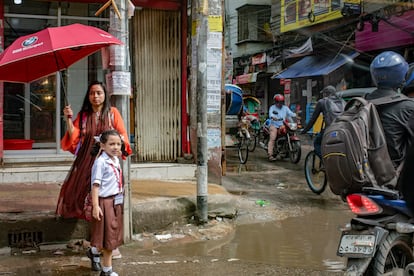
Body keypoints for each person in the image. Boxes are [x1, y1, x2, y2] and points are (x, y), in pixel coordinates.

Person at [56, 81, 132, 270]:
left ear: (105, 95)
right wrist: (68, 119)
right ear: (88, 96)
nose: (95, 96)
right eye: (92, 93)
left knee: (108, 201)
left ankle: (102, 245)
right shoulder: (82, 116)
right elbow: (74, 137)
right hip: (87, 163)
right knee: (88, 202)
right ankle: (98, 244)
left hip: (107, 164)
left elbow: (122, 135)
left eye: (99, 93)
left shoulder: (112, 113)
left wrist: (114, 145)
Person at [366, 51, 414, 170]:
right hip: (394, 177)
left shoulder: (360, 103)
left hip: (364, 173)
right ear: (402, 77)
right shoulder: (409, 107)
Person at [89, 129, 124, 276]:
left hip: (116, 202)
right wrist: (96, 206)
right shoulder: (100, 163)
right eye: (111, 144)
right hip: (105, 203)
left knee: (109, 235)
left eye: (118, 144)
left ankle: (93, 251)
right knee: (109, 240)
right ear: (102, 146)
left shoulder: (115, 159)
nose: (115, 147)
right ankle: (107, 271)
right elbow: (95, 186)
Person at [301, 85, 345, 157]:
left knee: (317, 143)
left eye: (324, 93)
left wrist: (305, 130)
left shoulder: (322, 102)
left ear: (326, 93)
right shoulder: (343, 102)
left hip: (330, 130)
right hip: (343, 129)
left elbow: (313, 119)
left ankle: (325, 161)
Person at [267, 93, 297, 161]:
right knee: (273, 138)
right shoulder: (272, 107)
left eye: (281, 102)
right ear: (275, 102)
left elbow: (290, 113)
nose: (280, 104)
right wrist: (273, 117)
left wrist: (296, 115)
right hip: (274, 125)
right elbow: (271, 114)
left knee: (289, 133)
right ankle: (270, 155)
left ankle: (285, 151)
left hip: (282, 125)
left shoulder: (285, 108)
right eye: (278, 102)